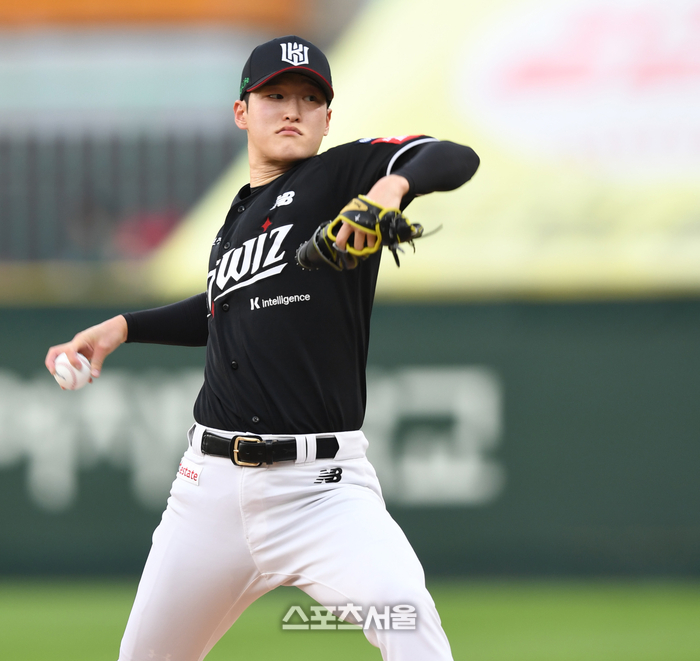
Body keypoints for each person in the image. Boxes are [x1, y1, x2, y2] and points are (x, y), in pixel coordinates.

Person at [45, 35, 479, 661]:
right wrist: (124, 326)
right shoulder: (239, 218)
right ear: (241, 112)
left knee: (407, 617)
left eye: (310, 98)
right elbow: (223, 308)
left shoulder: (341, 175)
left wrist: (390, 189)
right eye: (275, 95)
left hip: (323, 490)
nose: (293, 109)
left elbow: (453, 156)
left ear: (328, 117)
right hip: (209, 491)